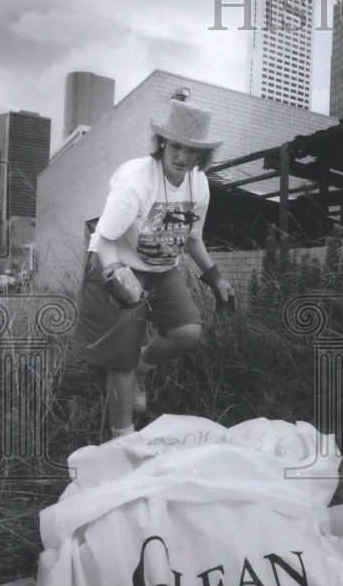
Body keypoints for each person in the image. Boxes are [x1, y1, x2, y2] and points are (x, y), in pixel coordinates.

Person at [75, 100, 235, 440]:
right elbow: (104, 238)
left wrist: (215, 277)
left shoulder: (200, 185)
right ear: (163, 144)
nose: (181, 157)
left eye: (191, 151)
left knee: (187, 330)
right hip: (114, 262)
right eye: (176, 146)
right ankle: (123, 438)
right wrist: (115, 274)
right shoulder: (135, 179)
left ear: (200, 156)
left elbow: (192, 239)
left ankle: (144, 368)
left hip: (161, 267)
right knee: (121, 361)